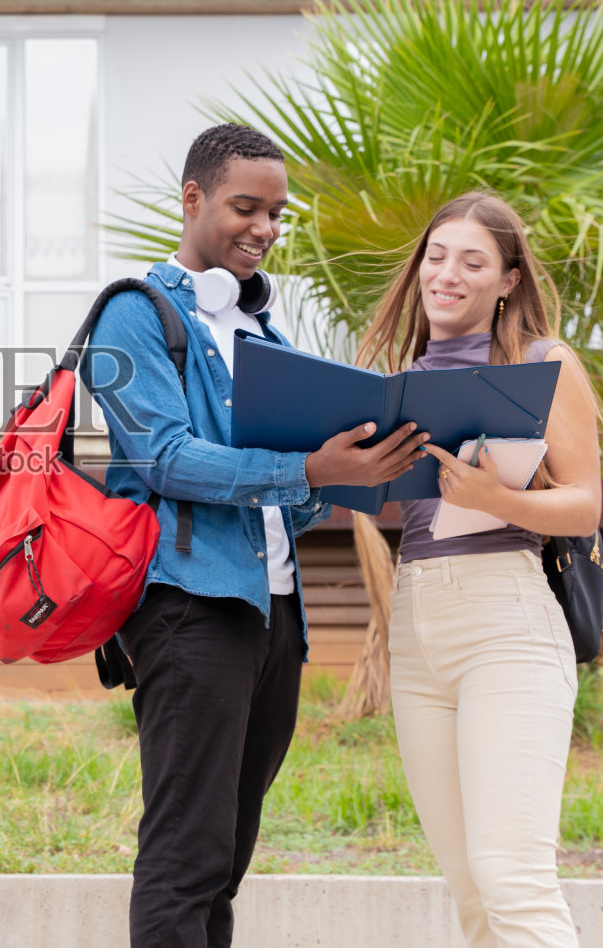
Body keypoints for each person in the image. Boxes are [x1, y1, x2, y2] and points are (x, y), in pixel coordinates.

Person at [81, 123, 428, 947]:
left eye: (277, 214)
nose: (264, 229)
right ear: (193, 198)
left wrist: (355, 471)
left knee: (227, 857)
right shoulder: (134, 315)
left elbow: (287, 497)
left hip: (273, 617)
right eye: (246, 207)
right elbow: (164, 457)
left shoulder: (263, 336)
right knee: (185, 855)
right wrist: (309, 469)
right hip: (190, 608)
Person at [358, 191, 601, 948]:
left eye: (473, 261)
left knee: (512, 880)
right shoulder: (398, 377)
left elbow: (586, 503)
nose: (448, 274)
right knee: (469, 892)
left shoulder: (540, 361)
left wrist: (499, 497)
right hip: (418, 624)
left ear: (508, 279)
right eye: (436, 256)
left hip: (507, 621)